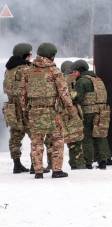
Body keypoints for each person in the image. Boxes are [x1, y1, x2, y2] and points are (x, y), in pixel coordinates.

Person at [20, 42, 76, 178]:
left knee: (36, 142)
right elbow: (64, 92)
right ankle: (56, 170)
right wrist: (70, 108)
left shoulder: (27, 71)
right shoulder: (54, 71)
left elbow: (23, 93)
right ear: (51, 55)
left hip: (34, 111)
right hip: (52, 112)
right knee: (57, 139)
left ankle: (38, 171)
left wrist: (25, 109)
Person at [72, 60, 112, 169]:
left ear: (79, 71)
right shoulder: (98, 79)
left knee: (87, 137)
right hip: (102, 112)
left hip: (89, 112)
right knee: (100, 136)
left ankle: (88, 162)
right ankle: (103, 161)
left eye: (74, 71)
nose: (73, 74)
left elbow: (77, 98)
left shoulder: (82, 81)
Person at [3, 43, 32, 173]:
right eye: (29, 54)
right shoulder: (25, 69)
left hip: (12, 107)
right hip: (25, 106)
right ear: (24, 55)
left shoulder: (8, 69)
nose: (31, 56)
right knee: (35, 136)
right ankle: (35, 165)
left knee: (15, 136)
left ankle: (17, 164)